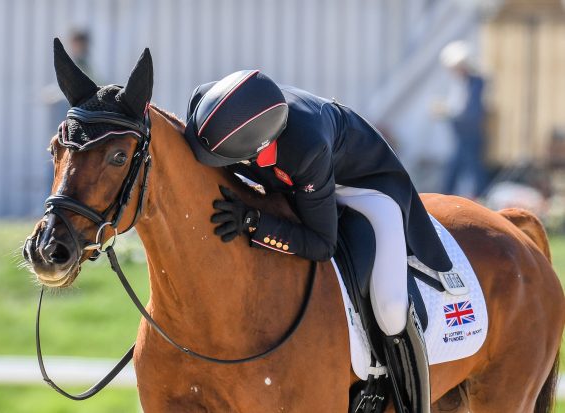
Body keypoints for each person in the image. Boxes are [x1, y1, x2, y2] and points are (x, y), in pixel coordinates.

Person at [183, 70, 453, 412]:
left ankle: (412, 404)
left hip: (361, 186)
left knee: (390, 310)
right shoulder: (208, 107)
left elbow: (322, 243)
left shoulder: (304, 149)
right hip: (304, 180)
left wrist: (254, 221)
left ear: (260, 148)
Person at [435, 40, 487, 198]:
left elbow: (471, 110)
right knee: (462, 165)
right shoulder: (462, 82)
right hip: (462, 131)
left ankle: (479, 194)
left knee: (471, 166)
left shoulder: (475, 82)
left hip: (469, 131)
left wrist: (450, 112)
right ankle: (449, 193)